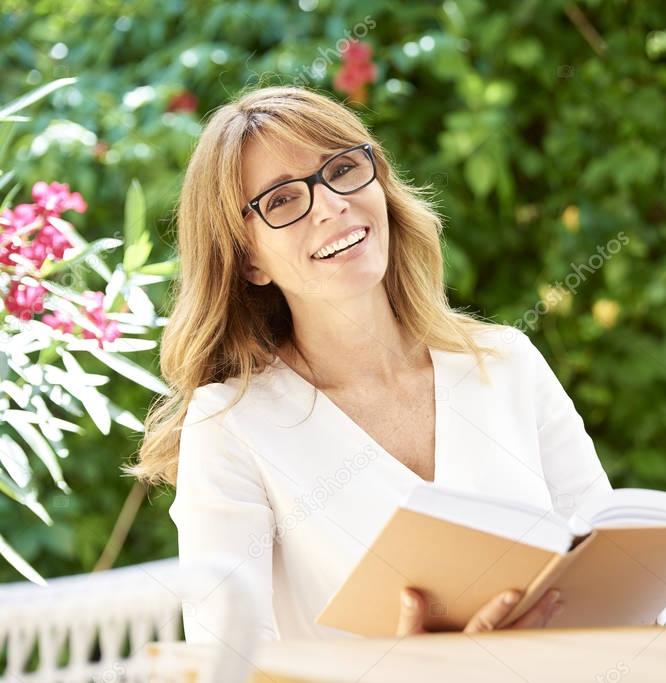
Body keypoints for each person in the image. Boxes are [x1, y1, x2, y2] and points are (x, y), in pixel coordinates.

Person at [129, 85, 623, 642]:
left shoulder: (505, 363)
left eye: (341, 169)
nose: (331, 204)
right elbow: (229, 665)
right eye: (283, 200)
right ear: (248, 261)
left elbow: (613, 578)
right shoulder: (231, 424)